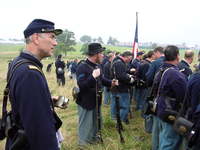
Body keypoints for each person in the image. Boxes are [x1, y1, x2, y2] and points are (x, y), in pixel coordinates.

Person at [5, 19, 63, 150]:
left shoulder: (18, 62)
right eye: (52, 37)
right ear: (36, 38)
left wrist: (45, 101)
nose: (55, 42)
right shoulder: (30, 73)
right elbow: (40, 131)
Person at [76, 43, 118, 146]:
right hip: (86, 101)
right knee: (86, 124)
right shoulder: (82, 67)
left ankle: (93, 140)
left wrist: (110, 82)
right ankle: (83, 145)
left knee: (95, 123)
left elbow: (101, 79)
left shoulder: (97, 65)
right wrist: (92, 77)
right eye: (101, 53)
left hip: (96, 99)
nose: (103, 55)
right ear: (96, 54)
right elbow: (82, 86)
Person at [155, 45, 187, 150]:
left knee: (163, 138)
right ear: (177, 56)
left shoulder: (162, 69)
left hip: (161, 108)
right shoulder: (176, 74)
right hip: (170, 111)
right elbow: (184, 96)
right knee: (170, 142)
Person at [110, 51, 135, 124]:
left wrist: (128, 74)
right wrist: (130, 79)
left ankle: (114, 120)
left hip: (116, 87)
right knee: (124, 106)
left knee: (115, 105)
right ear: (126, 56)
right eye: (130, 58)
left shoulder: (116, 61)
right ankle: (120, 122)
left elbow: (120, 73)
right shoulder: (120, 63)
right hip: (121, 87)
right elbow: (121, 76)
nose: (130, 60)